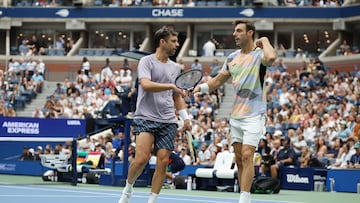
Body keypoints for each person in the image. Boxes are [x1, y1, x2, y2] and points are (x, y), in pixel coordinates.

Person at [193, 20, 276, 203]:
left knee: (247, 155)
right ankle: (243, 194)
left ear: (250, 33)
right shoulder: (232, 58)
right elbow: (217, 81)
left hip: (254, 114)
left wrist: (265, 40)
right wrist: (202, 88)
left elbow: (271, 58)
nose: (234, 34)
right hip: (236, 116)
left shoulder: (260, 55)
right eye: (234, 31)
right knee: (239, 159)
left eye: (239, 31)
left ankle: (244, 200)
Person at [118, 26, 191, 203]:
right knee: (141, 158)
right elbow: (146, 85)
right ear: (162, 42)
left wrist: (185, 117)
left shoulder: (175, 68)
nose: (177, 45)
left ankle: (152, 200)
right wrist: (171, 86)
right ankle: (128, 190)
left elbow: (176, 97)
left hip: (168, 120)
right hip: (145, 117)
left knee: (163, 161)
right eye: (174, 41)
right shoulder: (146, 62)